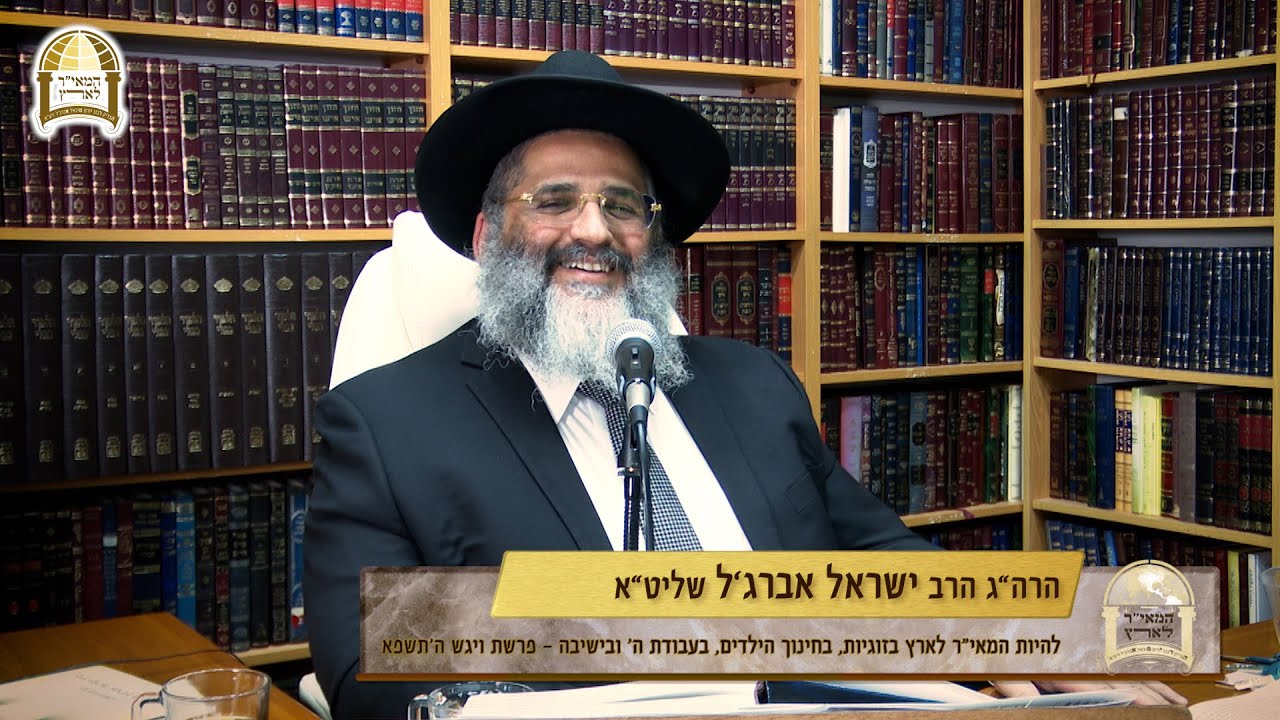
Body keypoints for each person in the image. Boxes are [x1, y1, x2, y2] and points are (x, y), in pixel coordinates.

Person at [303, 51, 1182, 720]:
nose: (593, 231)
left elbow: (880, 562)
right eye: (554, 200)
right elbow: (366, 673)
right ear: (488, 238)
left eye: (623, 205)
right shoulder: (386, 424)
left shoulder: (754, 383)